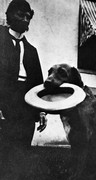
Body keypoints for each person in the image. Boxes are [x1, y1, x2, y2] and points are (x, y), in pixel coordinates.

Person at [0, 0, 47, 149]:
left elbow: (38, 84)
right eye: (21, 15)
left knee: (23, 151)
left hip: (26, 105)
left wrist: (41, 112)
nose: (25, 20)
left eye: (28, 17)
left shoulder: (32, 51)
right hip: (5, 102)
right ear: (10, 16)